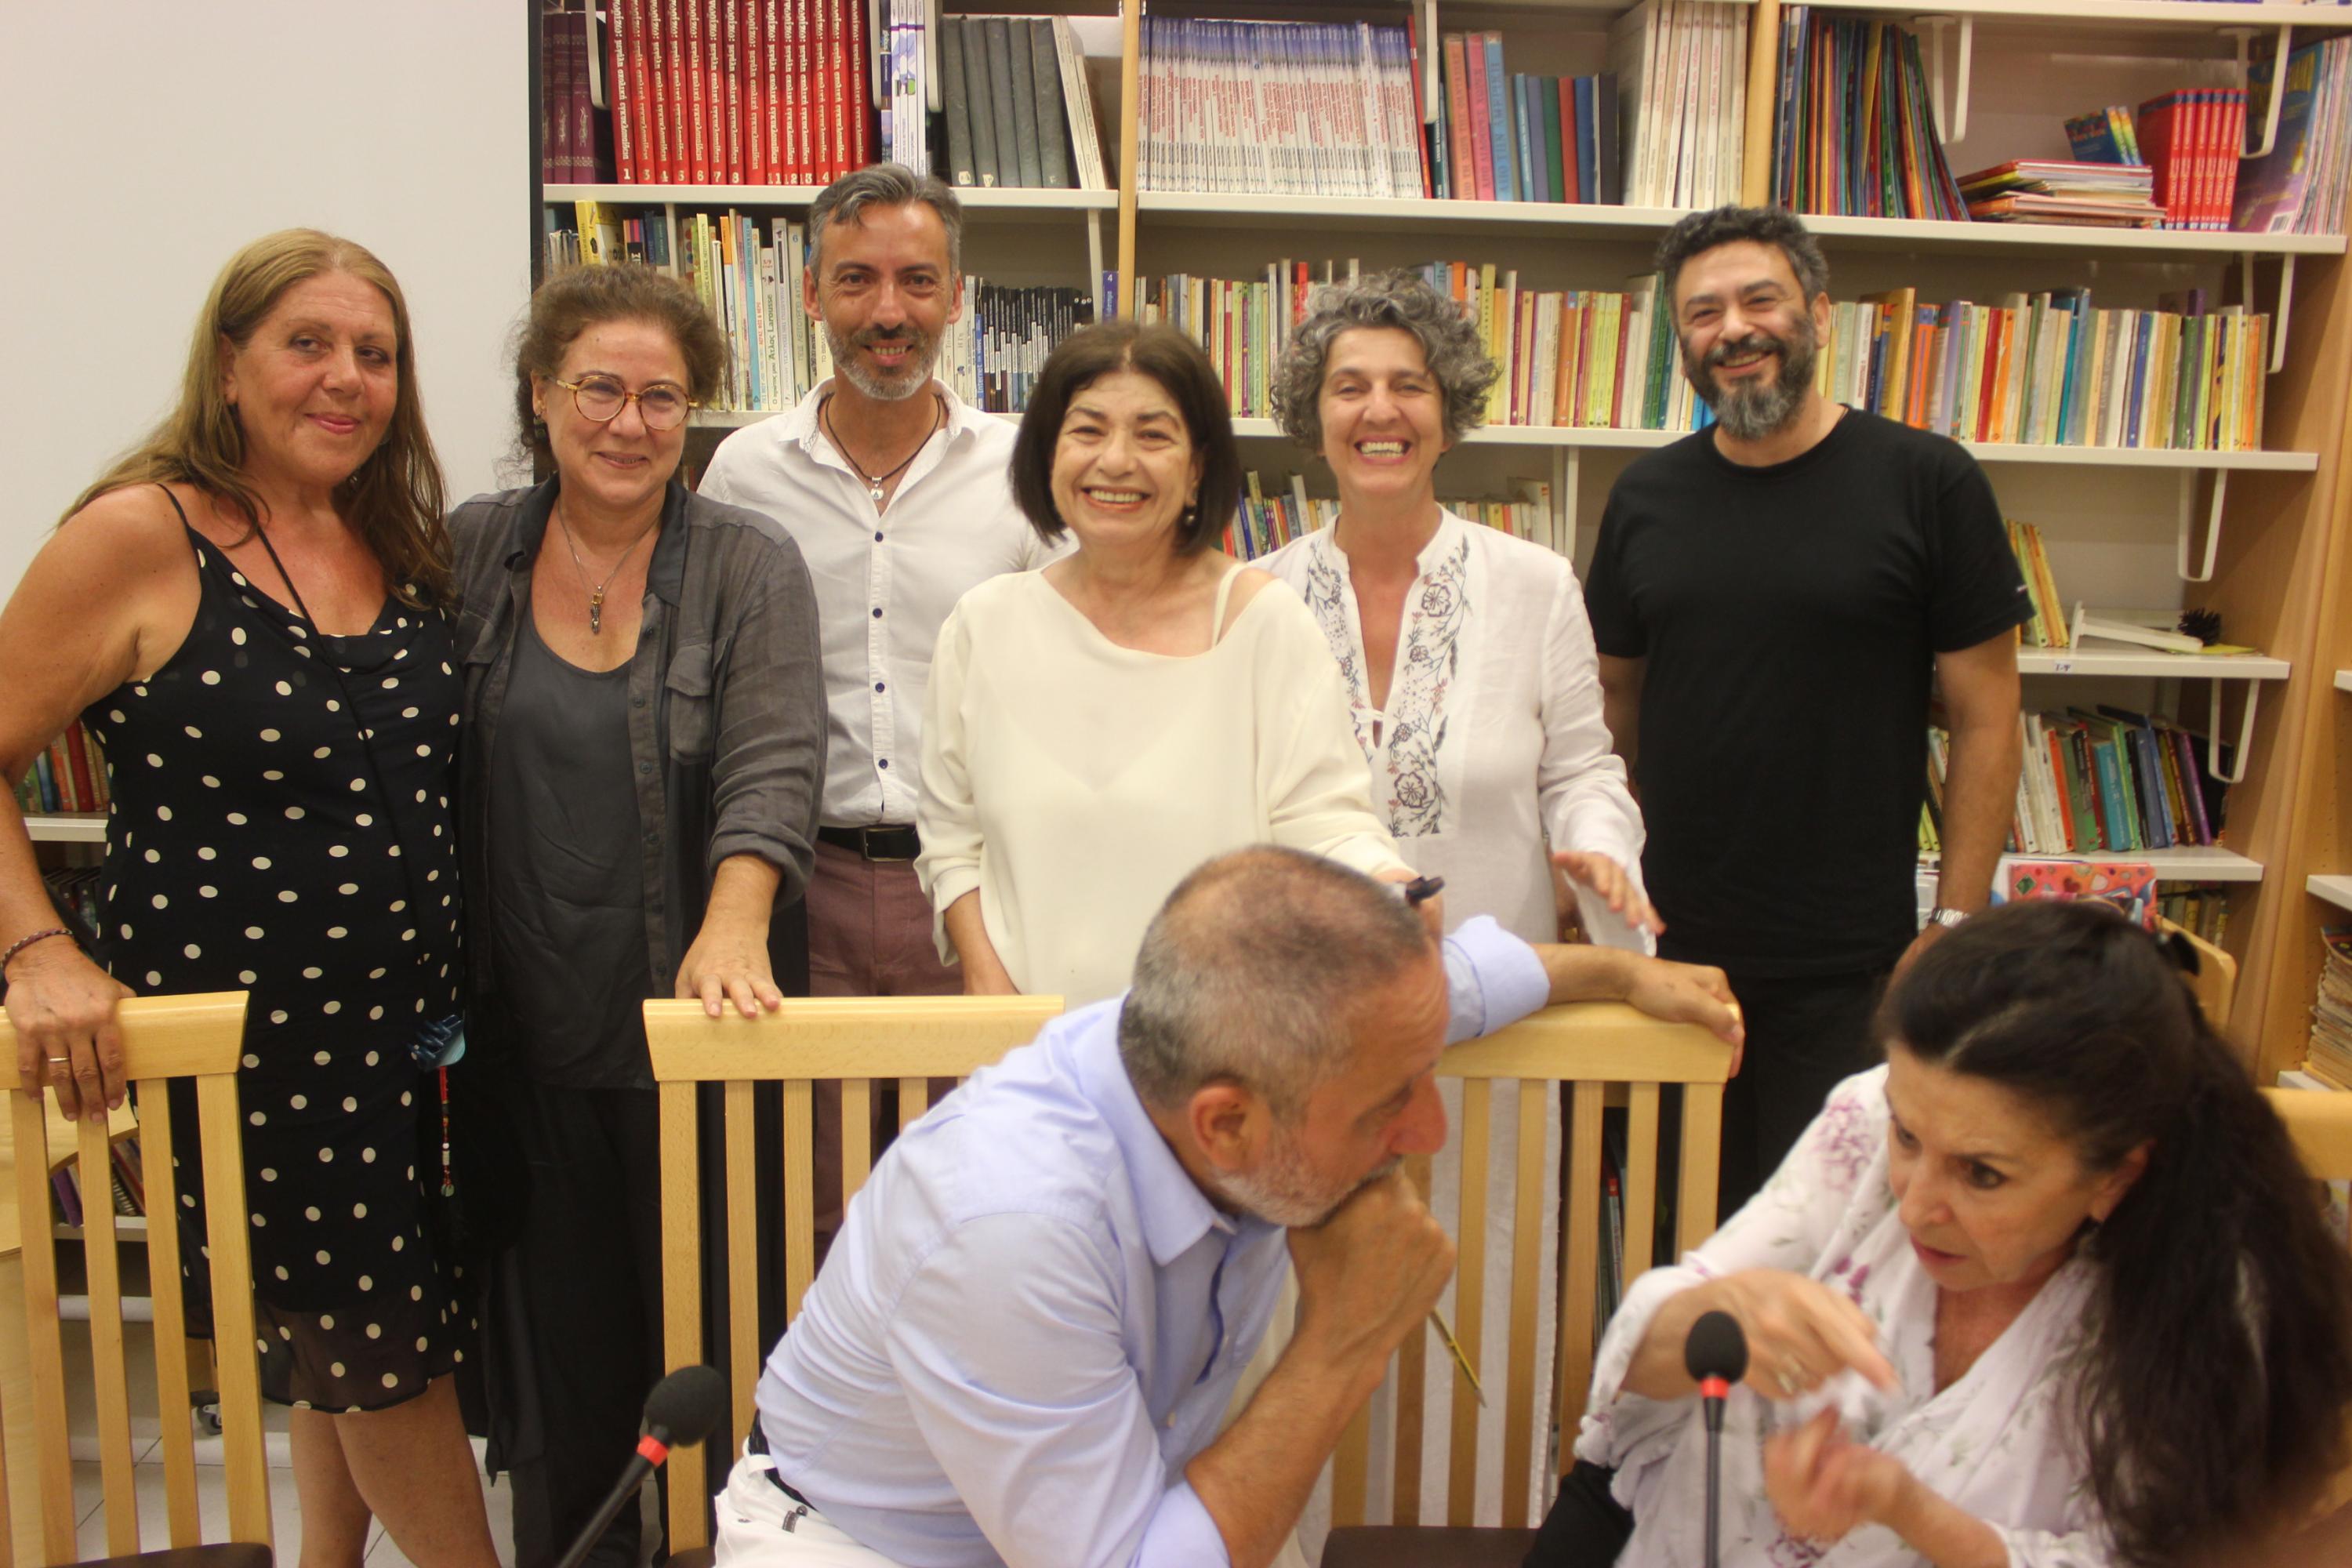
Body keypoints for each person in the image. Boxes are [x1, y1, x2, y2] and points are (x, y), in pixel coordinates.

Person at [713, 844, 1744, 1568]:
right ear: (1227, 1126)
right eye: (1392, 1103)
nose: (1429, 1131)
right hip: (865, 1545)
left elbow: (1461, 984)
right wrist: (1342, 1341)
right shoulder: (1011, 1229)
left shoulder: (1235, 1045)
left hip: (1131, 1518)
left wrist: (1620, 973)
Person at [0, 230, 499, 1568]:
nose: (346, 379)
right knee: (382, 1359)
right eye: (307, 344)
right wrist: (38, 948)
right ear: (228, 367)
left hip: (404, 1045)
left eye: (375, 354)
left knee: (353, 1347)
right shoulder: (138, 535)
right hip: (255, 1056)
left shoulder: (390, 538)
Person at [1534, 898, 2352, 1567]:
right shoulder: (1870, 1117)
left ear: (2117, 1176)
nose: (1915, 1204)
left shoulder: (2204, 1310)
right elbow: (1634, 1373)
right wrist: (1715, 1316)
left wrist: (1909, 1509)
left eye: (1982, 1174)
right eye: (1907, 1136)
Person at [448, 262, 824, 1568]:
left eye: (662, 397)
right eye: (598, 389)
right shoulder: (467, 550)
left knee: (720, 1357)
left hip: (700, 1037)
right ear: (541, 394)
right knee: (565, 1383)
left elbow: (774, 762)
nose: (628, 422)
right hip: (523, 1042)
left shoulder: (748, 563)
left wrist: (737, 918)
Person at [1584, 205, 2028, 1215]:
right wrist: (1598, 887)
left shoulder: (1927, 481)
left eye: (1760, 300)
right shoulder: (1645, 495)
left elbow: (1988, 716)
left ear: (1820, 314)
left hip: (1853, 970)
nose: (1734, 329)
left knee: (1828, 1248)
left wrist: (1954, 923)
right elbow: (1612, 704)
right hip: (1672, 960)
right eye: (1703, 313)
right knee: (1682, 1238)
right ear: (1682, 341)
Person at [916, 321, 1411, 1007]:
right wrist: (990, 987)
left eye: (1153, 436)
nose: (1116, 461)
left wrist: (1390, 887)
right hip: (1032, 1046)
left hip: (1219, 1046)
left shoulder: (1264, 624)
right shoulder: (982, 626)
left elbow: (1326, 824)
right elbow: (951, 838)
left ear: (1198, 466)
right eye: (1088, 431)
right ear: (1048, 453)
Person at [699, 164, 1058, 999]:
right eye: (856, 279)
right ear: (812, 295)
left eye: (918, 281)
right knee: (808, 1097)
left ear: (957, 297)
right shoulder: (742, 474)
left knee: (974, 1092)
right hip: (797, 890)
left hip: (980, 892)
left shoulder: (1027, 475)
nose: (889, 313)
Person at [1262, 268, 1652, 950]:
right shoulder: (1260, 597)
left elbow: (1582, 774)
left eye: (1410, 386)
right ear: (1314, 426)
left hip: (1498, 986)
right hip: (1307, 990)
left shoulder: (1538, 586)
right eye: (1349, 388)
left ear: (1448, 423)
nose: (1380, 410)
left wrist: (1598, 851)